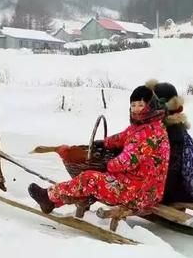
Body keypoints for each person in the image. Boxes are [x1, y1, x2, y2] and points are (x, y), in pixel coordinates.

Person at [27, 85, 170, 214]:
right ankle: (53, 201)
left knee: (89, 178)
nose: (136, 109)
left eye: (141, 105)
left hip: (137, 193)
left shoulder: (146, 135)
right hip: (149, 188)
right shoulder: (149, 126)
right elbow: (123, 136)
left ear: (150, 106)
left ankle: (49, 196)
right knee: (95, 179)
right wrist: (105, 143)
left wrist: (107, 165)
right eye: (133, 105)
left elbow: (127, 161)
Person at [146, 79, 193, 204]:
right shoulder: (164, 128)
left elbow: (172, 169)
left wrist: (163, 195)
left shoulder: (172, 132)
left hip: (174, 190)